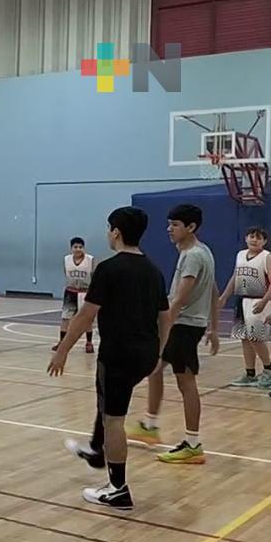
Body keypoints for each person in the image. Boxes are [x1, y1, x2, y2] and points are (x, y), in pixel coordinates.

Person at [49, 206, 169, 510]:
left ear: (115, 232)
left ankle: (118, 489)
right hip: (146, 353)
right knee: (108, 407)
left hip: (118, 354)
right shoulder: (154, 270)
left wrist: (62, 349)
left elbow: (85, 315)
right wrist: (159, 352)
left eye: (108, 228)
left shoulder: (108, 268)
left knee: (114, 419)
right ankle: (97, 450)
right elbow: (165, 317)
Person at [127, 204, 219, 465]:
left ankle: (193, 444)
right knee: (155, 370)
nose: (169, 229)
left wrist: (162, 331)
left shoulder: (193, 256)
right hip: (188, 324)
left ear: (191, 227)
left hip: (183, 326)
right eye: (169, 224)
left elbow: (179, 300)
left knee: (186, 383)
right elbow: (213, 291)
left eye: (175, 225)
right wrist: (213, 327)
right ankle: (149, 426)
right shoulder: (202, 251)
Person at [221, 226, 271, 387]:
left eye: (258, 237)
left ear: (264, 241)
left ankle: (269, 371)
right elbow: (235, 277)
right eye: (251, 236)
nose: (254, 240)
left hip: (259, 301)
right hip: (242, 300)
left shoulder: (266, 257)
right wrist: (224, 296)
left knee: (256, 337)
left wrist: (264, 302)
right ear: (246, 238)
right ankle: (250, 374)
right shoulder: (241, 255)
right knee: (244, 337)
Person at [53, 237, 95, 354]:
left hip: (85, 292)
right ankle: (62, 342)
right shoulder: (66, 259)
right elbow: (65, 273)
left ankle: (89, 343)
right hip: (71, 292)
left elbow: (94, 276)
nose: (78, 249)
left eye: (80, 247)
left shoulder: (90, 260)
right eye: (75, 247)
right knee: (65, 318)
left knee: (87, 319)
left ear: (84, 248)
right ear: (71, 248)